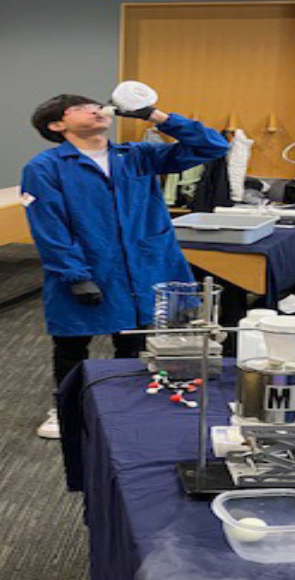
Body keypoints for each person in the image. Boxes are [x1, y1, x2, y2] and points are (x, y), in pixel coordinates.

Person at [22, 86, 228, 439]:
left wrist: (155, 115)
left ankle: (119, 404)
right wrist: (74, 274)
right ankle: (66, 408)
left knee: (132, 338)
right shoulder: (45, 167)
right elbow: (48, 225)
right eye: (81, 108)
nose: (96, 109)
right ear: (57, 126)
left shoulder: (138, 155)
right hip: (87, 265)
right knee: (73, 342)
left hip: (144, 262)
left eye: (95, 105)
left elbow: (213, 146)